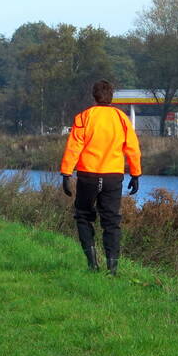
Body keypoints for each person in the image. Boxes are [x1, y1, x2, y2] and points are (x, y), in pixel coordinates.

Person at [59, 80, 142, 275]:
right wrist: (135, 174)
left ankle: (92, 263)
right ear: (112, 96)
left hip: (88, 174)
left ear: (94, 96)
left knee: (83, 216)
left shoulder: (84, 117)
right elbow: (133, 148)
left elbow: (74, 147)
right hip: (113, 176)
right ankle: (112, 270)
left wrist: (66, 173)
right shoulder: (122, 119)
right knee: (111, 222)